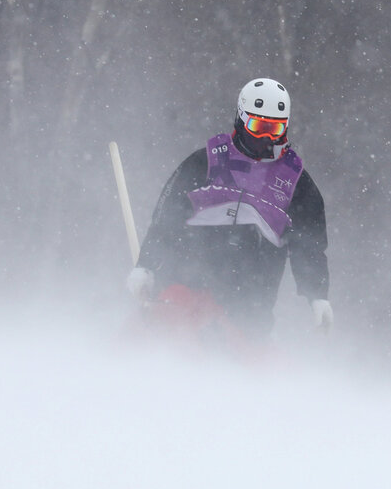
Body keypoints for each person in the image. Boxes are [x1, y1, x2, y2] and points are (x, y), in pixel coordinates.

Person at [127, 78, 333, 339]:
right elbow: (166, 218)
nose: (267, 138)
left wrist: (317, 295)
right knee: (167, 336)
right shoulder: (206, 162)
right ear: (241, 118)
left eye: (275, 128)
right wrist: (146, 265)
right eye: (258, 126)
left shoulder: (296, 183)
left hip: (248, 303)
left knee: (240, 355)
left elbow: (309, 245)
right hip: (185, 284)